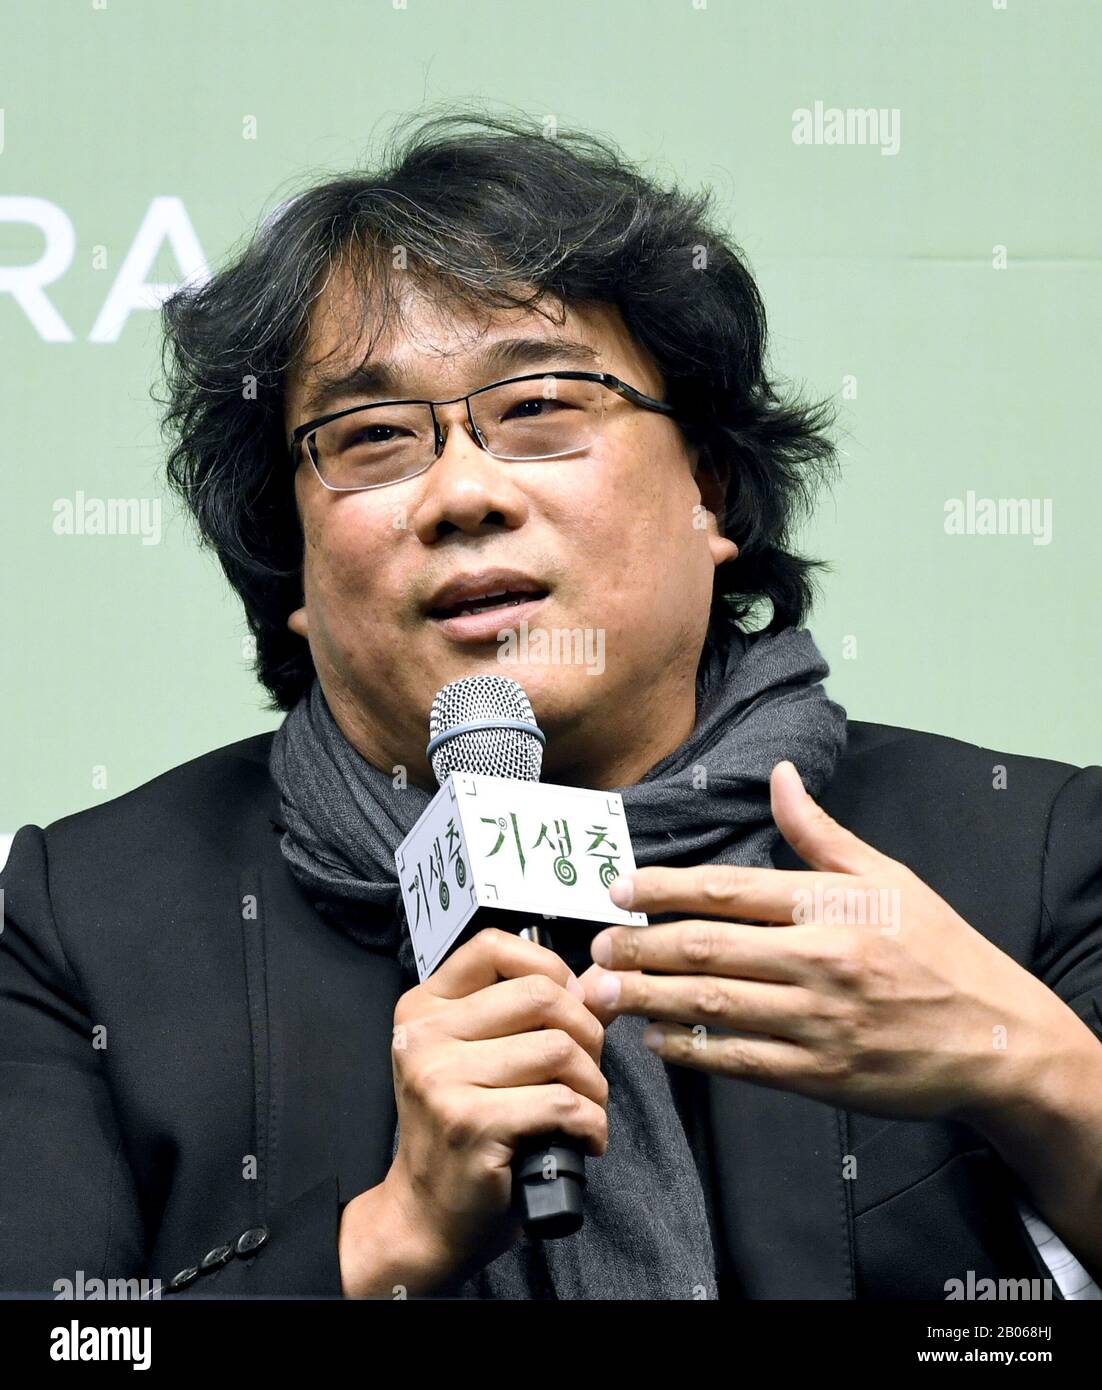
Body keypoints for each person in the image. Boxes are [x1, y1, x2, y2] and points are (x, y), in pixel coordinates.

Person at [2, 111, 1100, 1301]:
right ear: (292, 574)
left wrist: (1043, 1076)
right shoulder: (89, 923)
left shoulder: (1023, 852)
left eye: (537, 409)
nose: (463, 491)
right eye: (370, 438)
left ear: (710, 490)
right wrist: (384, 1242)